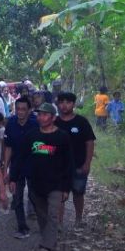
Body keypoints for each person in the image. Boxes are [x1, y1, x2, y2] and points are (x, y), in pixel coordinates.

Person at [16, 103, 75, 251]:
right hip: (36, 183)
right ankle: (49, 239)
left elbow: (68, 163)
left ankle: (47, 246)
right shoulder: (31, 136)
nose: (41, 117)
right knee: (42, 215)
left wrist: (66, 188)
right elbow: (21, 157)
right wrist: (13, 177)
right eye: (39, 115)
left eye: (44, 114)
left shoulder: (62, 137)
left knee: (53, 215)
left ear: (53, 117)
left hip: (56, 183)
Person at [55, 92, 96, 227]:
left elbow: (89, 142)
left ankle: (79, 218)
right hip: (59, 166)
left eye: (68, 102)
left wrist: (87, 163)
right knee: (59, 195)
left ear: (73, 104)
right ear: (58, 104)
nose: (64, 105)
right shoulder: (54, 121)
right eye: (61, 102)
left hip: (78, 164)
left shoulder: (81, 121)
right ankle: (59, 223)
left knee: (78, 193)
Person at [2, 97, 39, 239]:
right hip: (16, 166)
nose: (20, 112)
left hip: (33, 166)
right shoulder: (11, 123)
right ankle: (22, 227)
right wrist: (5, 169)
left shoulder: (36, 124)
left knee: (35, 196)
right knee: (17, 197)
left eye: (24, 109)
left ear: (29, 110)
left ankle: (44, 224)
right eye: (18, 109)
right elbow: (8, 147)